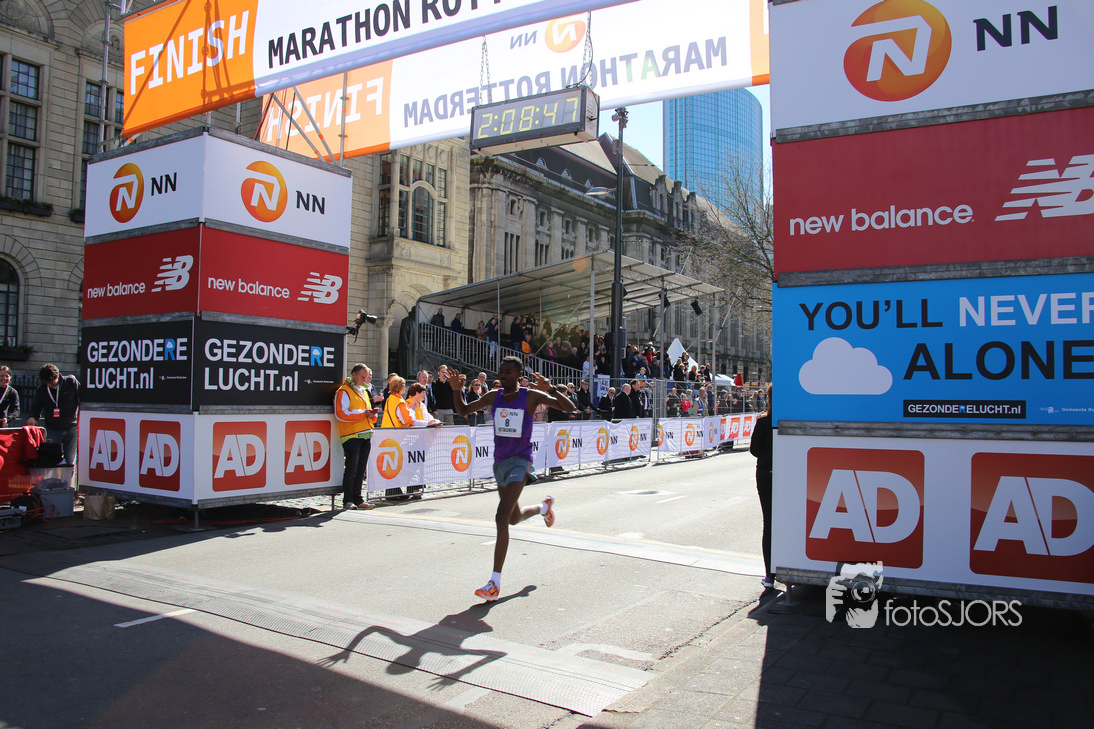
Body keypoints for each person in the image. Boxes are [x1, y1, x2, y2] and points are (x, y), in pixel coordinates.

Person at [448, 357, 575, 601]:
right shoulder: (493, 396)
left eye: (508, 372)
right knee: (513, 518)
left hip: (520, 461)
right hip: (500, 464)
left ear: (518, 374)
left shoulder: (530, 396)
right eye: (501, 371)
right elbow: (463, 411)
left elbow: (569, 408)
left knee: (501, 516)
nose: (503, 375)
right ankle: (543, 508)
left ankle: (494, 583)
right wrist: (456, 390)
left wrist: (551, 389)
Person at [334, 364, 379, 510]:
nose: (364, 379)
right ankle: (348, 500)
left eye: (366, 377)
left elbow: (366, 411)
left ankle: (358, 498)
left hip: (365, 434)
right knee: (352, 469)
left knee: (360, 470)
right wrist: (363, 414)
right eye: (362, 377)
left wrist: (371, 415)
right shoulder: (343, 391)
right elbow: (341, 414)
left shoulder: (364, 391)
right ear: (353, 374)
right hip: (351, 435)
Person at [26, 363, 80, 466]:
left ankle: (69, 477)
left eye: (52, 382)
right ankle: (55, 476)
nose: (50, 385)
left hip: (71, 427)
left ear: (58, 376)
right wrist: (32, 417)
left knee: (70, 462)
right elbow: (35, 407)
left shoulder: (71, 383)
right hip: (52, 429)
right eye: (47, 383)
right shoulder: (41, 390)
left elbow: (82, 397)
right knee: (52, 461)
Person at [750, 385, 775, 589]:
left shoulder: (764, 422)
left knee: (769, 522)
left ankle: (770, 575)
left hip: (766, 473)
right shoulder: (787, 423)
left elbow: (754, 450)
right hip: (785, 474)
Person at [381, 375, 415, 499]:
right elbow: (406, 419)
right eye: (403, 385)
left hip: (388, 434)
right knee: (395, 464)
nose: (405, 388)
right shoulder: (399, 401)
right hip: (397, 435)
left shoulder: (390, 399)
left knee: (392, 464)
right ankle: (393, 492)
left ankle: (394, 491)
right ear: (399, 387)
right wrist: (411, 410)